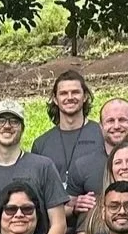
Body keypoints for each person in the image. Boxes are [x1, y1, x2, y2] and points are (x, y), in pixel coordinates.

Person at [0, 99, 69, 234]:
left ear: (23, 128)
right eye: (0, 121)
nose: (7, 126)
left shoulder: (43, 167)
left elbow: (59, 224)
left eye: (14, 121)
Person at [32, 69, 108, 221]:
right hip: (53, 224)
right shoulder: (41, 143)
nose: (70, 97)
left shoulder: (103, 135)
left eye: (75, 92)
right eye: (63, 93)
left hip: (94, 221)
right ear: (55, 99)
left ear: (85, 96)